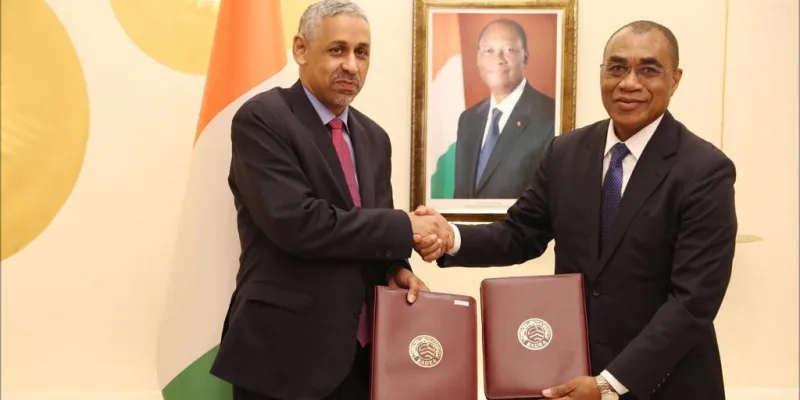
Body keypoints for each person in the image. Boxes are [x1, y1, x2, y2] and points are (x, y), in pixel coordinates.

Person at [416, 20, 737, 400]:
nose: (629, 83)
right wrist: (450, 237)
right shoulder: (565, 152)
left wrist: (609, 384)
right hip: (573, 378)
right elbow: (520, 234)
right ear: (602, 73)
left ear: (675, 79)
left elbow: (692, 303)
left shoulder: (704, 170)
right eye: (617, 68)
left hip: (666, 387)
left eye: (648, 70)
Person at [209, 1, 451, 399]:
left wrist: (394, 268)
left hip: (363, 359)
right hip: (283, 357)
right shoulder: (263, 119)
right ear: (301, 49)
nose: (352, 66)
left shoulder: (375, 138)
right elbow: (298, 223)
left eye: (362, 53)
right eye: (337, 50)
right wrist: (405, 225)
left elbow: (371, 230)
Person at [452, 18, 555, 199]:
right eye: (489, 51)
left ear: (525, 57)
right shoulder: (468, 119)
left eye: (509, 50)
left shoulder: (550, 117)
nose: (498, 60)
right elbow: (461, 195)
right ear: (478, 58)